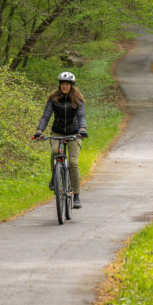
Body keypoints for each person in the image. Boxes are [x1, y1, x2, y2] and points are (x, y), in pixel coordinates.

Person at [33, 71, 88, 208]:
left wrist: (82, 129)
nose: (64, 87)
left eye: (67, 84)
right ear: (60, 85)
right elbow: (46, 116)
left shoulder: (77, 100)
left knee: (73, 163)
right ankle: (55, 177)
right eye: (62, 84)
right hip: (57, 133)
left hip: (74, 134)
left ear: (71, 86)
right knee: (54, 153)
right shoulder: (53, 99)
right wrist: (40, 130)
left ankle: (76, 196)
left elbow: (81, 116)